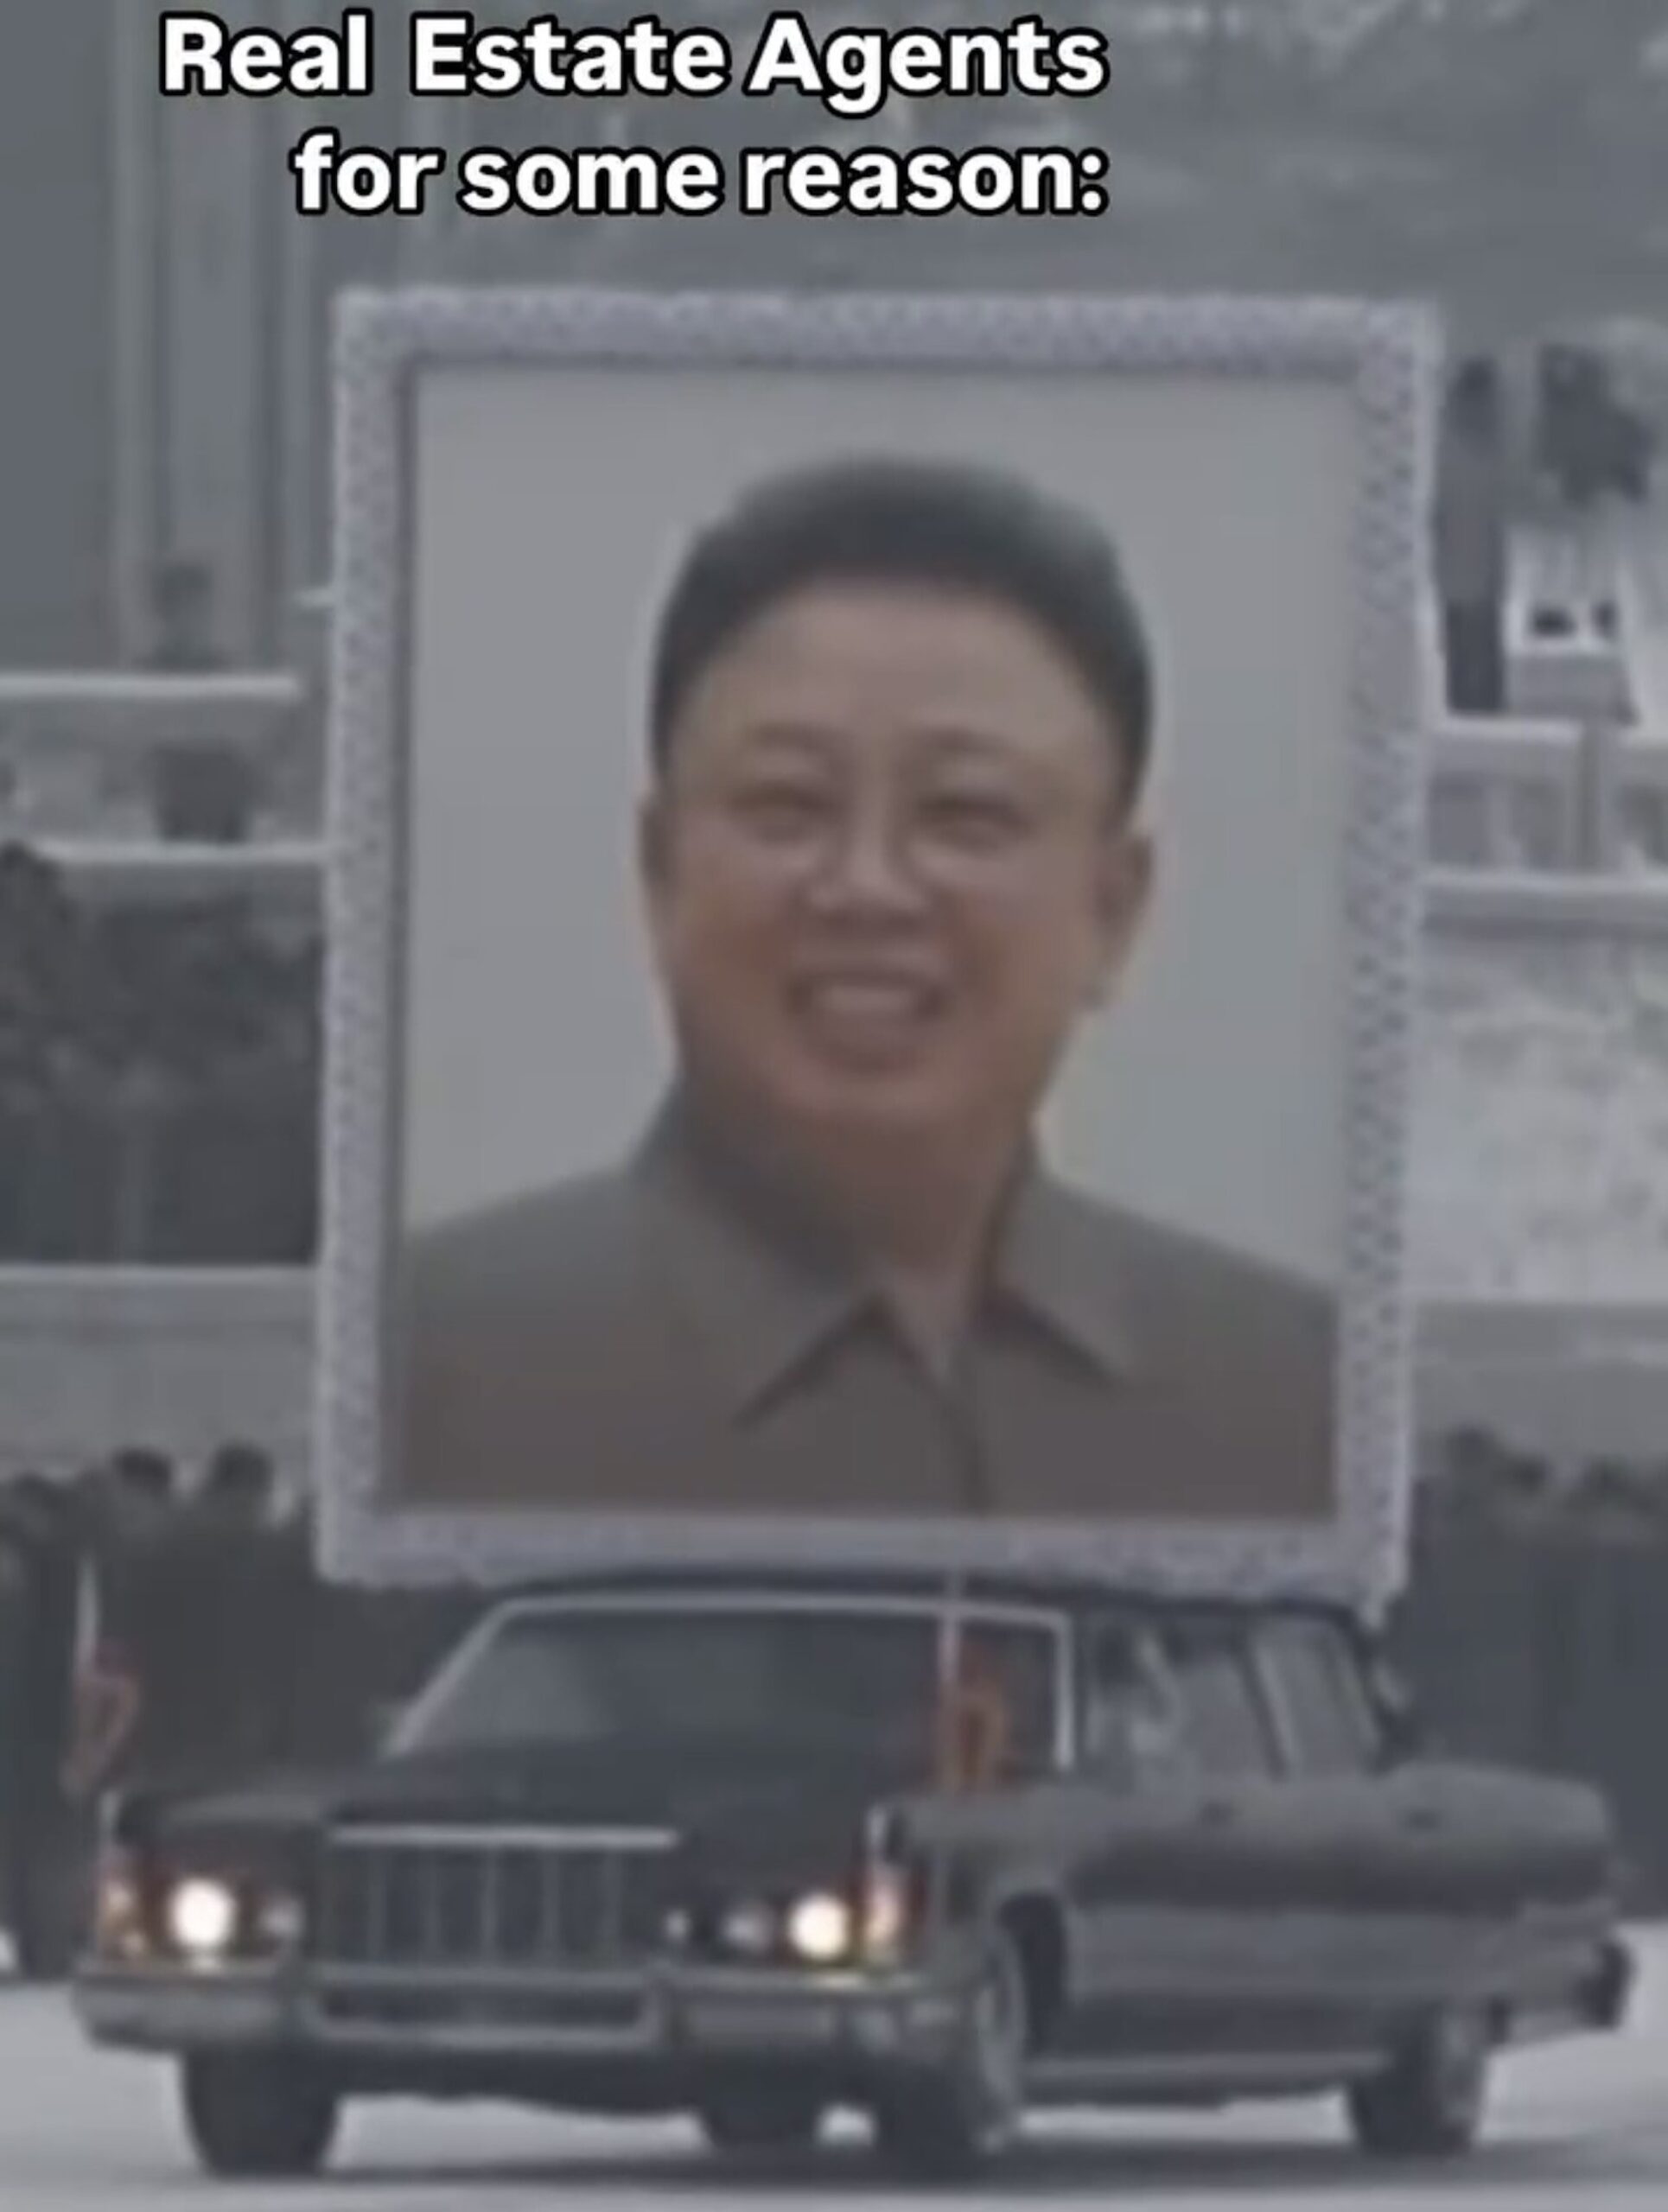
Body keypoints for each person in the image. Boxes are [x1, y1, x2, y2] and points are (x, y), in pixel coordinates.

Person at [399, 456, 1334, 1521]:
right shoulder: (422, 1371)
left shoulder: (1293, 1398)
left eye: (965, 814)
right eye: (787, 806)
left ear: (1111, 910)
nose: (867, 888)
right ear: (660, 873)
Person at [1433, 358, 1510, 715]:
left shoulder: (1484, 449)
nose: (1494, 409)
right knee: (1469, 676)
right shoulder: (1450, 452)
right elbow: (1439, 518)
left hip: (1479, 586)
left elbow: (1493, 523)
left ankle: (1479, 716)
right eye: (1490, 401)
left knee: (1481, 678)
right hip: (1461, 585)